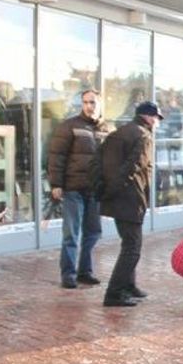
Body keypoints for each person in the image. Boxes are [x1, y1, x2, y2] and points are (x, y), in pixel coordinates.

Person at [100, 101, 162, 307]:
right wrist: (115, 189)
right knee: (132, 248)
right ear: (148, 117)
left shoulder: (121, 132)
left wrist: (109, 191)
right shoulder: (143, 136)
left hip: (119, 198)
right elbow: (133, 167)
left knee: (129, 244)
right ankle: (114, 293)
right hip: (130, 198)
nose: (157, 122)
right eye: (156, 118)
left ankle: (128, 285)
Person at [47, 88, 111, 289]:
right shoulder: (69, 126)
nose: (89, 106)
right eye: (85, 102)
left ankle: (85, 271)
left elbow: (110, 161)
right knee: (71, 234)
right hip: (73, 188)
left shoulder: (106, 129)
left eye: (92, 102)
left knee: (93, 233)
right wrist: (56, 184)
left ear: (100, 104)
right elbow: (56, 157)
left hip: (95, 190)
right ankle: (68, 274)